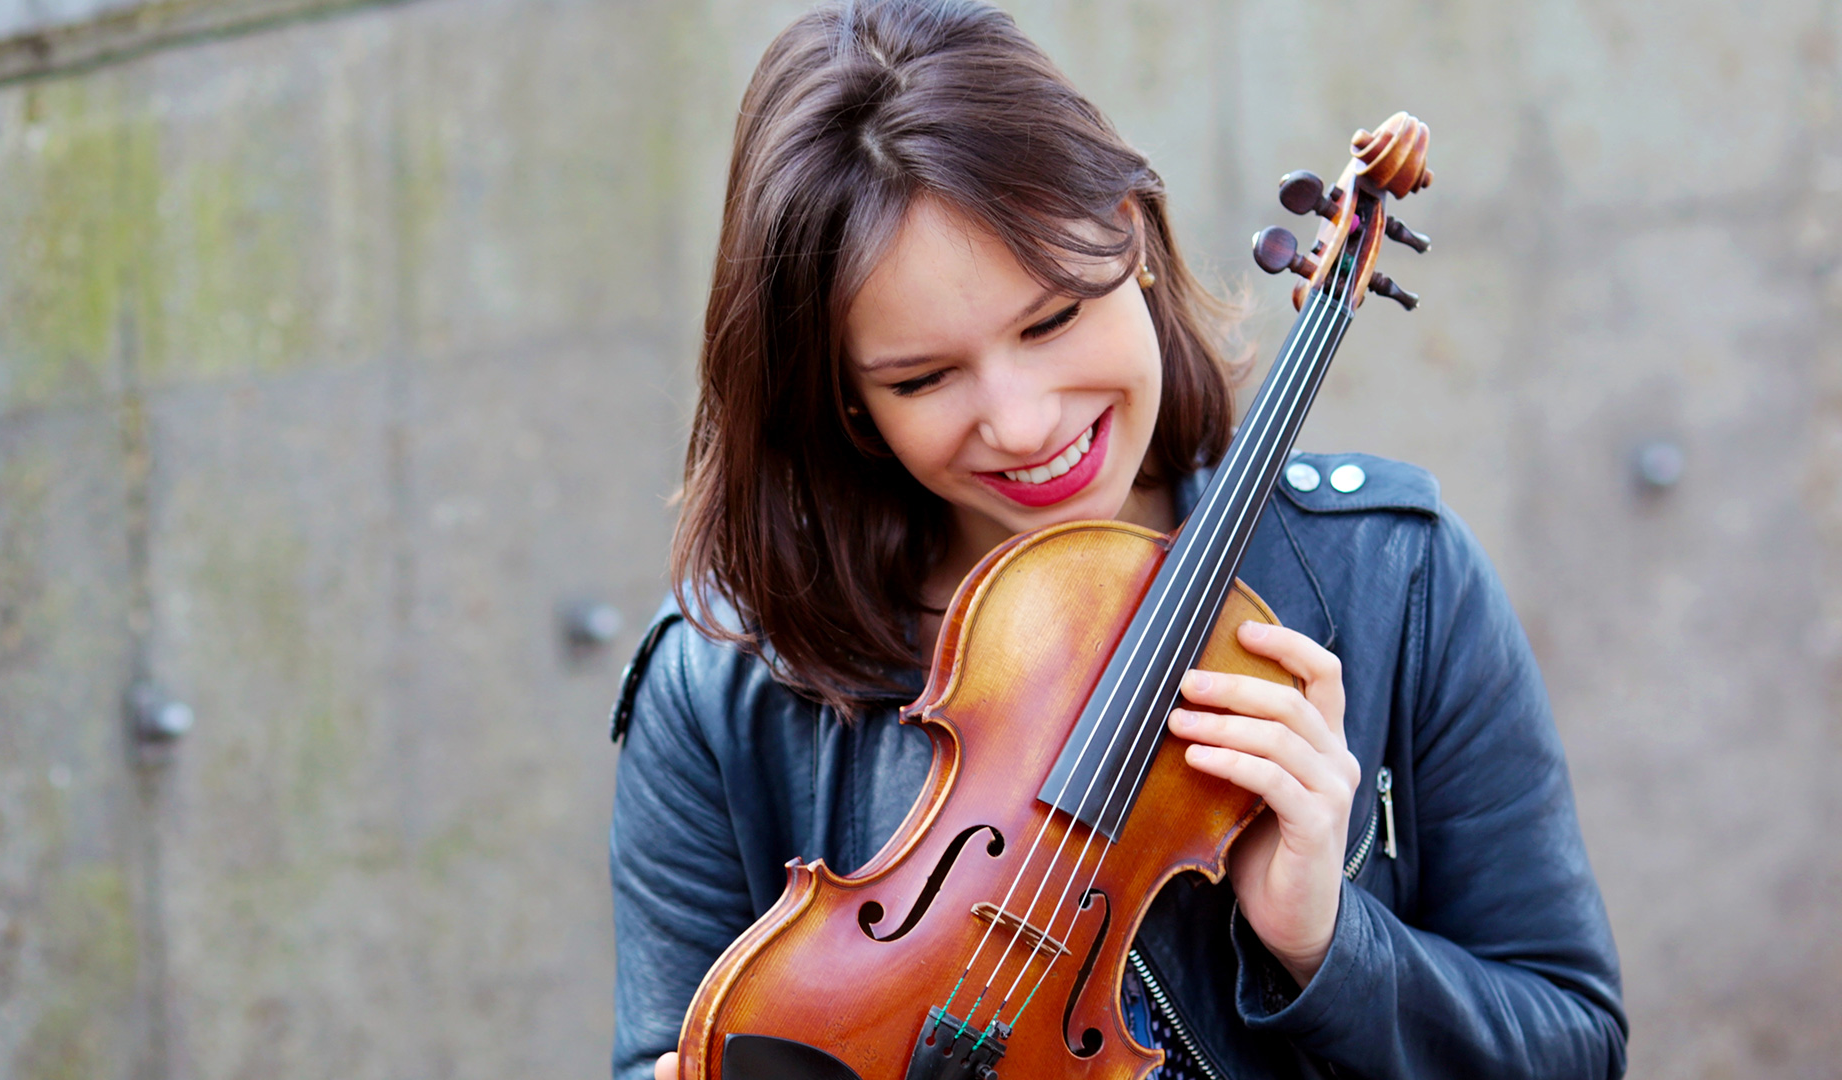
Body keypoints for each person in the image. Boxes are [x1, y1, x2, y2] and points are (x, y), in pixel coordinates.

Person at [608, 1, 1627, 1078]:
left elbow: (1574, 1046)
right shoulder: (720, 683)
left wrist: (1327, 938)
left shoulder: (1394, 575)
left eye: (1052, 319)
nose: (1024, 421)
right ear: (846, 401)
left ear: (1132, 237)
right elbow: (666, 1054)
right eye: (923, 377)